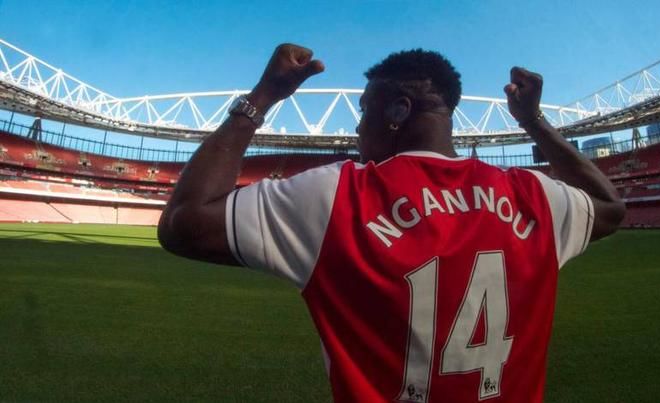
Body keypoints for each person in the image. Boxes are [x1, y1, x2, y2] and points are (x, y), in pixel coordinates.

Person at [158, 44, 625, 402]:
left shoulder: (335, 196)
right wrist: (534, 121)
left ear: (399, 110)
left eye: (364, 111)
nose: (358, 128)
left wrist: (263, 97)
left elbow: (184, 222)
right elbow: (608, 205)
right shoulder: (533, 196)